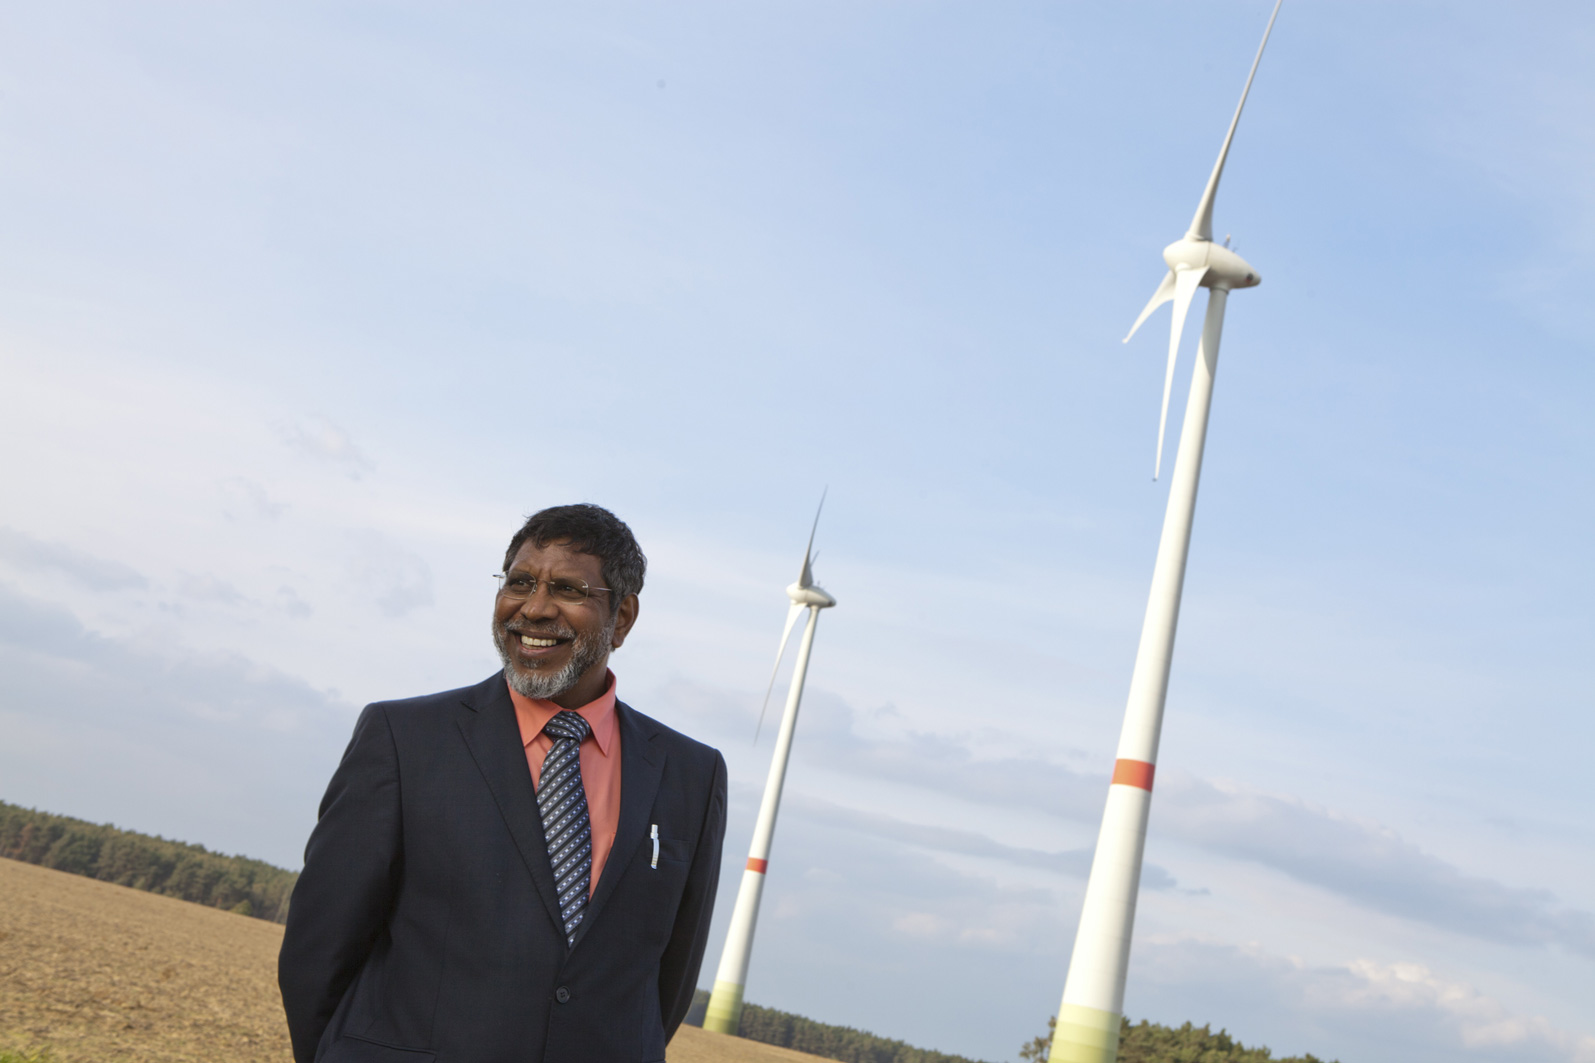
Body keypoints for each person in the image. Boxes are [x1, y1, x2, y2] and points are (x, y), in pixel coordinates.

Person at [279, 504, 728, 1063]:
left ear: (623, 618)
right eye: (519, 582)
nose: (534, 608)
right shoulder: (403, 739)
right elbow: (318, 950)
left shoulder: (692, 774)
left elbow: (668, 981)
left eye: (567, 589)